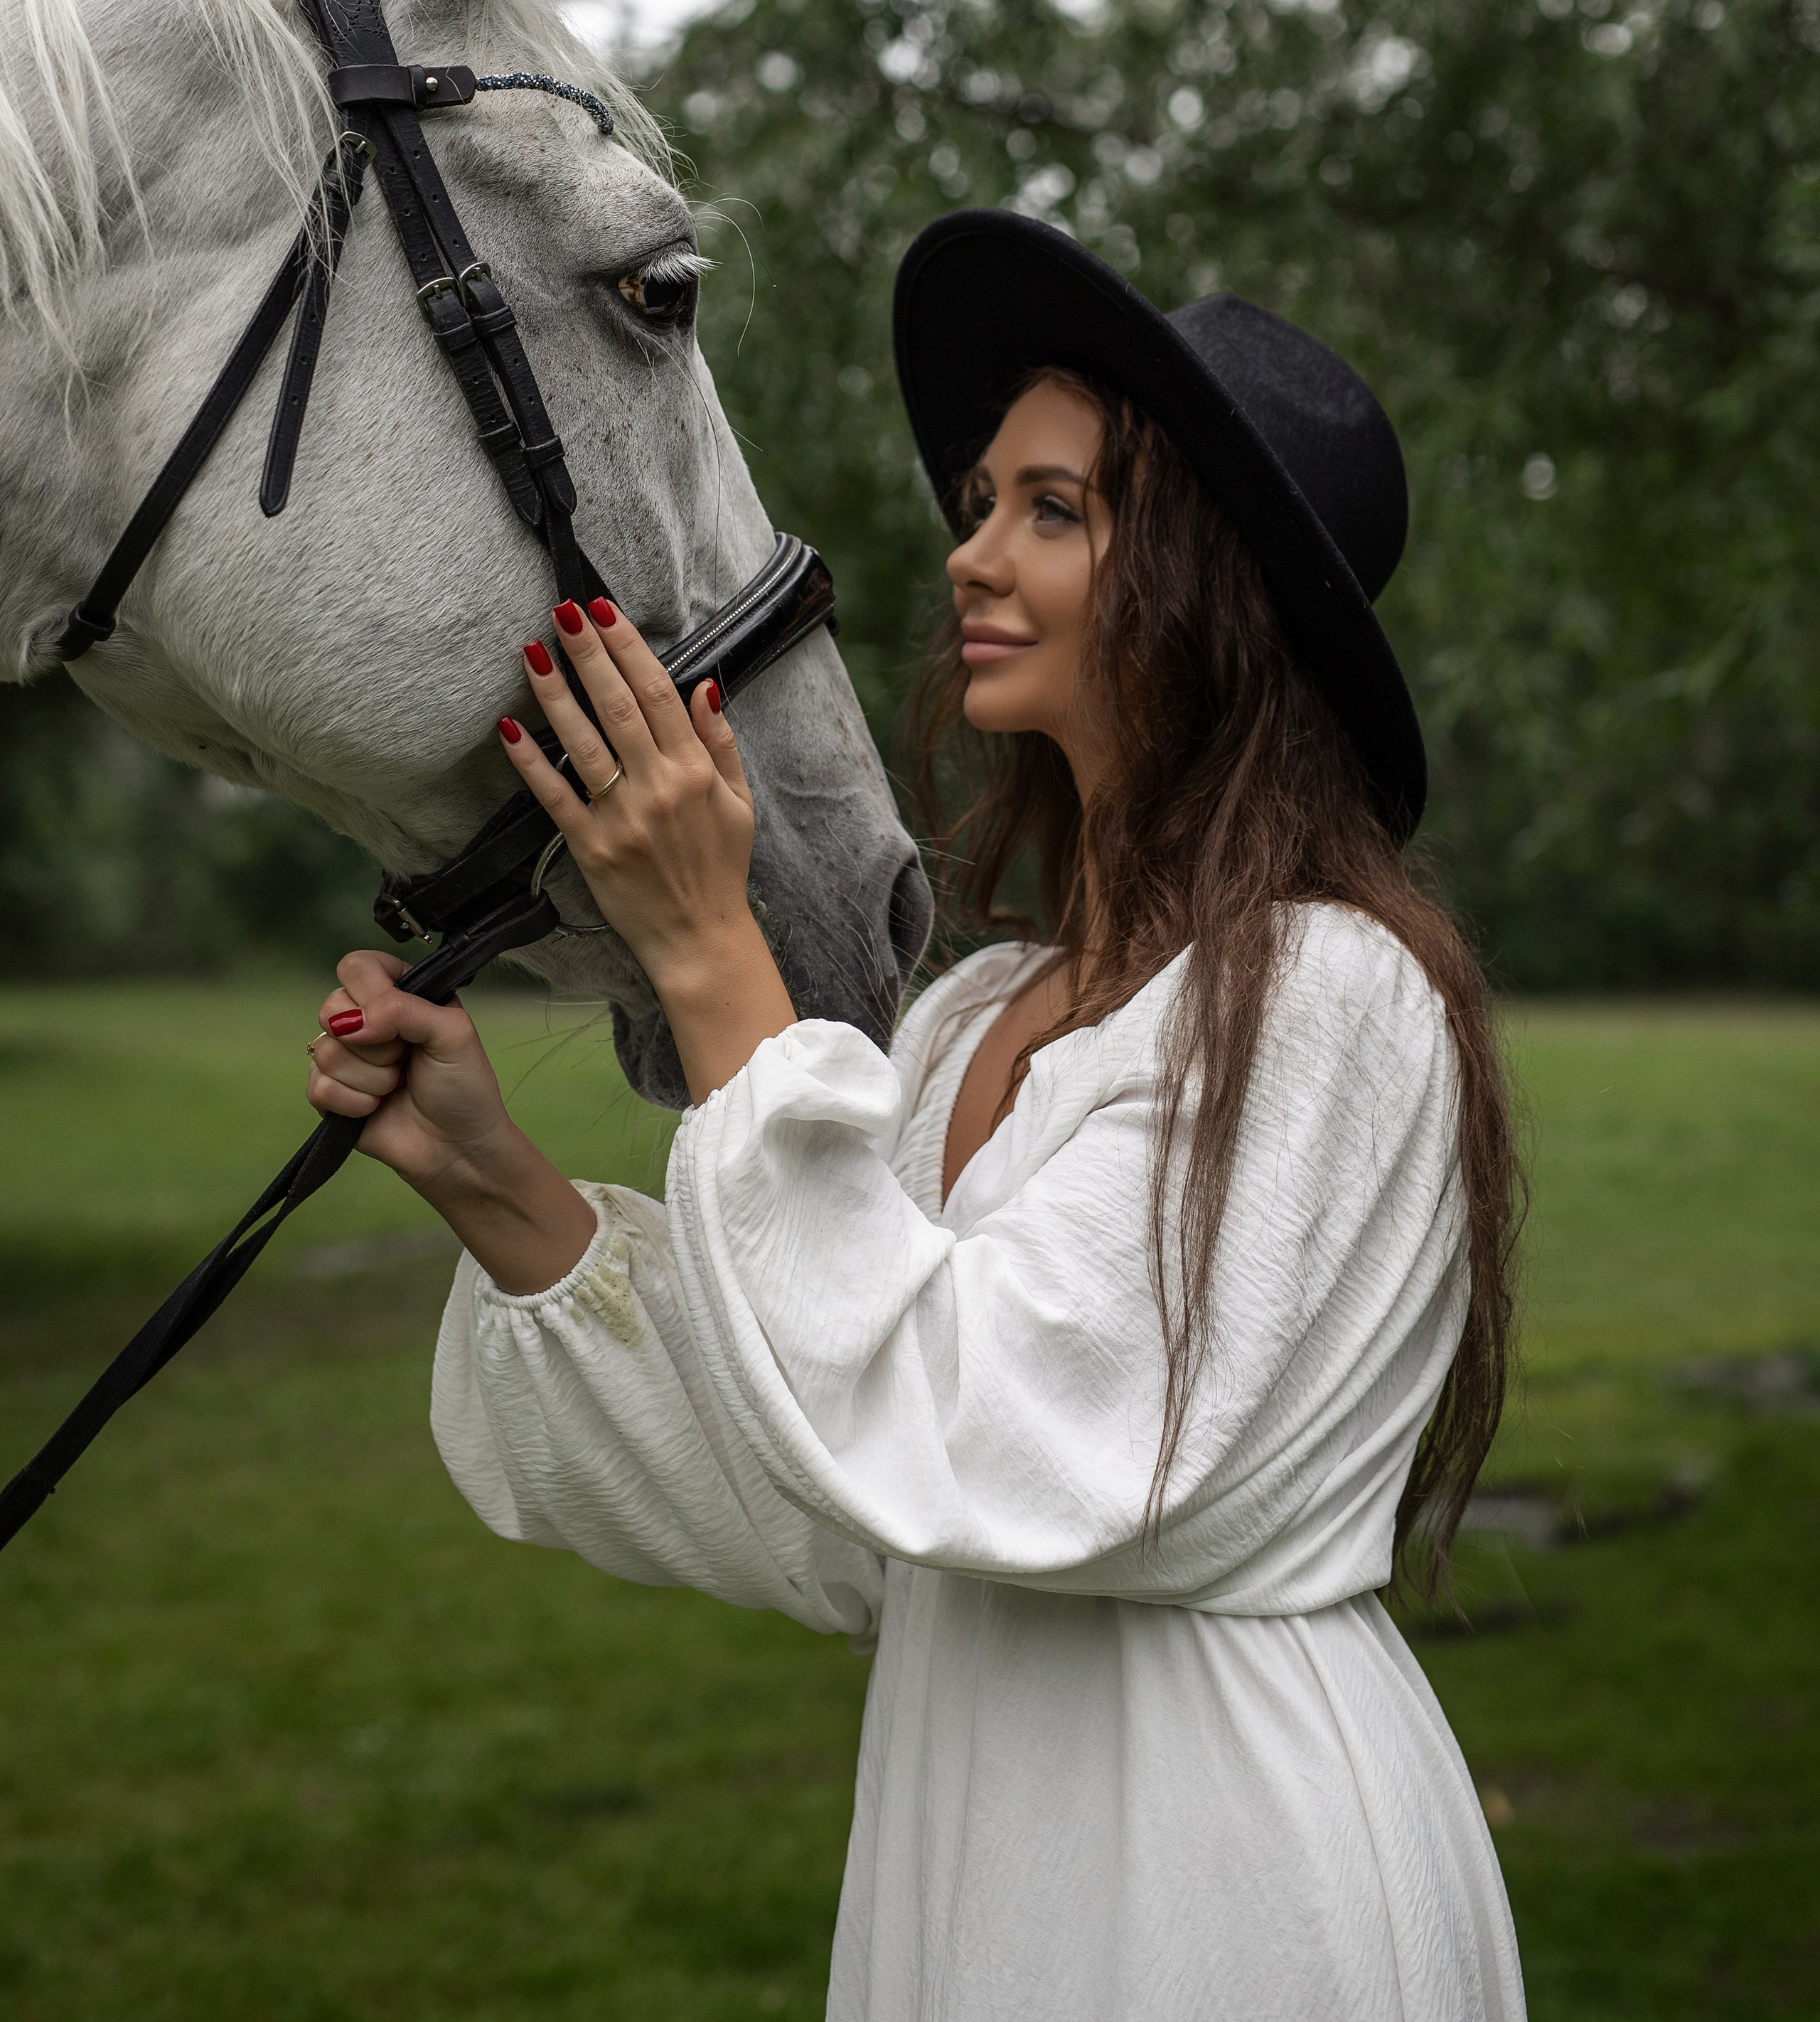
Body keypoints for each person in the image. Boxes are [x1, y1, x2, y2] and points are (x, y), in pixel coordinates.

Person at [306, 208, 1526, 2020]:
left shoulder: (1336, 996)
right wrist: (504, 1192)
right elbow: (843, 1487)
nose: (971, 553)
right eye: (979, 501)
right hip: (973, 1849)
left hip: (1225, 1870)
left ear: (1207, 586)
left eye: (1054, 510)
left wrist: (718, 959)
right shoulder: (963, 1021)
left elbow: (1003, 1426)